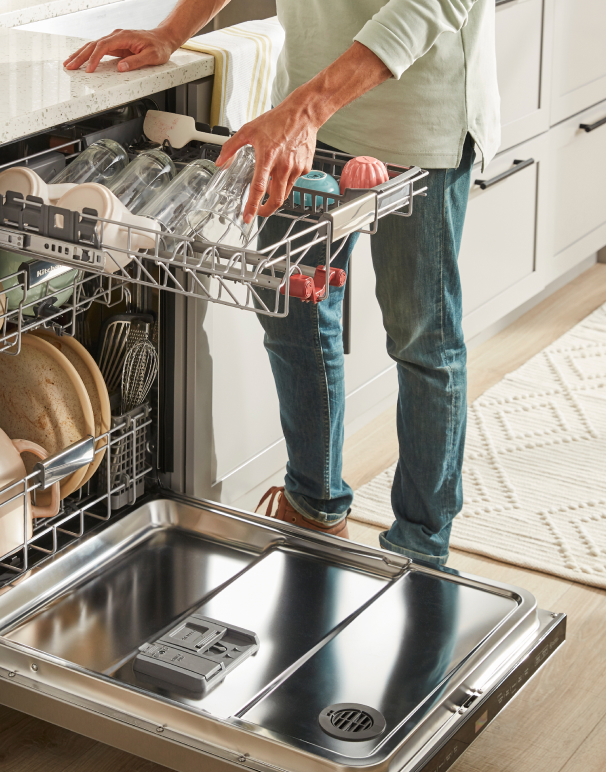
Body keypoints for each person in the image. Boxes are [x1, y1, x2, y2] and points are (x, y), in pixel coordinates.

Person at [65, 0, 500, 566]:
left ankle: (421, 549)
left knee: (422, 343)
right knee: (292, 317)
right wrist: (172, 32)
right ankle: (313, 506)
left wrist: (306, 110)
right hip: (303, 118)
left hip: (414, 122)